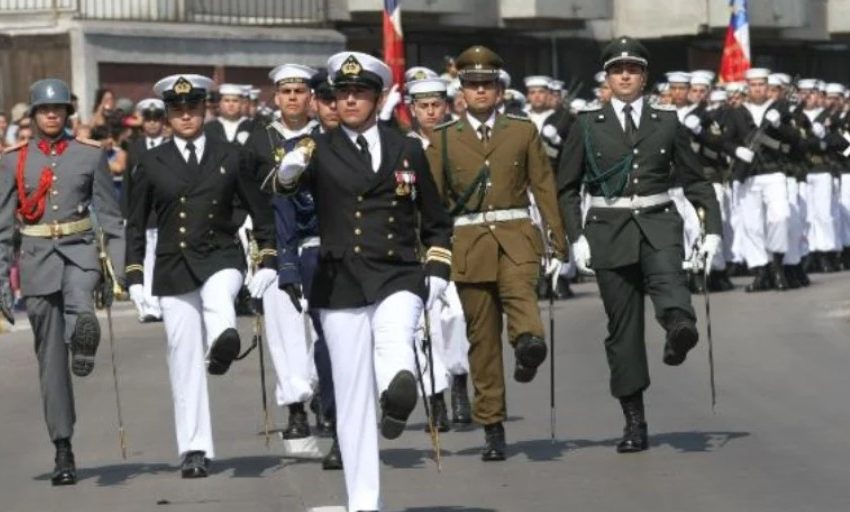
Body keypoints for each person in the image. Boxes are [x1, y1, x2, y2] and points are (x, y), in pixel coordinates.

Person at [274, 51, 453, 512]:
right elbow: (287, 189)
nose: (350, 100)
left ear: (378, 98)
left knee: (396, 335)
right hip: (340, 282)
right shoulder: (318, 148)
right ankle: (363, 502)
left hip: (397, 270)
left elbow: (435, 218)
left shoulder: (406, 148)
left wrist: (437, 268)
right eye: (342, 93)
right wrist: (289, 173)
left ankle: (398, 390)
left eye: (360, 93)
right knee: (351, 398)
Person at [558, 36, 722, 453]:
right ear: (607, 78)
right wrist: (574, 238)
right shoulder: (586, 122)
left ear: (645, 77)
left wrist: (712, 229)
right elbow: (567, 188)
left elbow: (695, 179)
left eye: (632, 69)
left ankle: (678, 328)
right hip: (607, 230)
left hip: (658, 221)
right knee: (623, 330)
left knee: (671, 285)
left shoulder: (666, 120)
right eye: (617, 70)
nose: (625, 75)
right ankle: (635, 420)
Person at [124, 74, 277, 479]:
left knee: (219, 294)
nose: (186, 116)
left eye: (193, 108)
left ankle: (224, 338)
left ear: (205, 110)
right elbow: (135, 224)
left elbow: (260, 210)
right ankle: (195, 447)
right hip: (174, 265)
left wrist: (269, 258)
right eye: (178, 110)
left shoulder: (230, 154)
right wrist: (135, 275)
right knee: (183, 356)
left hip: (221, 253)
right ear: (168, 116)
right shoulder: (150, 161)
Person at [426, 45, 567, 462]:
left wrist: (557, 240)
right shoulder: (444, 140)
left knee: (521, 295)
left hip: (517, 236)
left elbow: (543, 185)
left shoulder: (522, 131)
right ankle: (493, 426)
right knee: (482, 341)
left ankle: (529, 345)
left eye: (488, 84)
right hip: (468, 245)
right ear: (462, 93)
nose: (481, 91)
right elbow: (432, 201)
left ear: (500, 91)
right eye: (473, 85)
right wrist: (428, 251)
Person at [0, 78, 125, 485]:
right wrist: (2, 282)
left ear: (68, 115)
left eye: (59, 110)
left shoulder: (89, 156)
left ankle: (82, 334)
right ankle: (63, 446)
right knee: (50, 362)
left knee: (79, 300)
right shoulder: (12, 160)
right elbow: (3, 228)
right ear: (34, 116)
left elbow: (109, 215)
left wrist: (117, 271)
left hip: (80, 251)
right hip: (36, 261)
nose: (52, 115)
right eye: (44, 110)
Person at [243, 62, 343, 470]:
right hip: (275, 244)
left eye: (301, 92)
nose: (294, 99)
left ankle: (327, 400)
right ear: (277, 97)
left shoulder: (328, 138)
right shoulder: (258, 142)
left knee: (325, 329)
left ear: (312, 98)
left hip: (318, 244)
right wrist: (266, 253)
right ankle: (296, 405)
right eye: (286, 92)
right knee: (285, 331)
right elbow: (250, 197)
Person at [406, 75, 473, 428]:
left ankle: (460, 384)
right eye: (423, 106)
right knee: (423, 327)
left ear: (446, 106)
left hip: (457, 241)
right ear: (413, 110)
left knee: (457, 319)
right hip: (416, 245)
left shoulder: (460, 143)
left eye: (436, 105)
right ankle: (435, 399)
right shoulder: (402, 148)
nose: (431, 112)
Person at [721, 67, 799, 291]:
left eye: (762, 84)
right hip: (748, 176)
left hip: (774, 173)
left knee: (780, 217)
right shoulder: (737, 113)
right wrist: (736, 151)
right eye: (753, 85)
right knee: (752, 226)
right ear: (748, 88)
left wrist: (778, 125)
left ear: (767, 86)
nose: (758, 89)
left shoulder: (780, 108)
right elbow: (725, 141)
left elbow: (794, 138)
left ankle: (776, 263)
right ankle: (761, 271)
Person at [124, 98, 168, 322]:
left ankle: (165, 300)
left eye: (157, 119)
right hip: (145, 214)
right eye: (148, 119)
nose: (152, 124)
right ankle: (151, 304)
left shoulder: (170, 145)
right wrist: (126, 215)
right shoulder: (135, 147)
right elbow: (128, 184)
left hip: (166, 211)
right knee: (149, 258)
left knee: (166, 257)